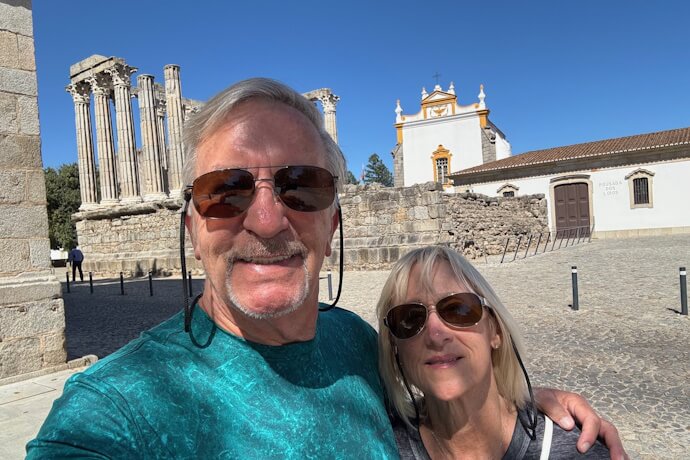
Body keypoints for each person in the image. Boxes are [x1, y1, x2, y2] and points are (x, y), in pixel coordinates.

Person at [27, 78, 625, 458]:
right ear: (191, 224)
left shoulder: (359, 345)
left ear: (333, 222)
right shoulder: (116, 410)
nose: (266, 221)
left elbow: (438, 413)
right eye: (225, 191)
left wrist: (525, 405)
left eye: (302, 186)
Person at [378, 246, 611, 459]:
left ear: (495, 330)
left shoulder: (574, 449)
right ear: (395, 348)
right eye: (410, 319)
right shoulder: (378, 446)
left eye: (458, 309)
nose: (436, 334)